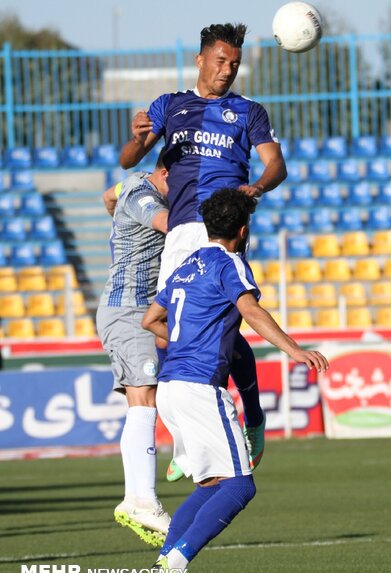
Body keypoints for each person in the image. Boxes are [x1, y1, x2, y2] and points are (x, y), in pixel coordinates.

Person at [140, 188, 328, 573]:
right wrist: (295, 349)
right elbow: (251, 311)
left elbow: (149, 319)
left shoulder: (187, 266)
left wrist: (186, 340)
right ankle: (175, 565)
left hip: (170, 387)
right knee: (241, 487)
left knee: (212, 485)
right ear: (243, 230)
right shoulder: (231, 264)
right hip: (199, 387)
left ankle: (159, 569)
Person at [119, 22, 288, 478]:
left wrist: (256, 186)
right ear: (200, 60)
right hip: (179, 231)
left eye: (234, 63)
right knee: (166, 331)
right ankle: (189, 437)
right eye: (219, 61)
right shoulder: (170, 106)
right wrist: (137, 137)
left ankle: (250, 415)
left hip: (221, 227)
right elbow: (128, 160)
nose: (227, 70)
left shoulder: (248, 111)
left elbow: (277, 164)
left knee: (225, 328)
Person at [96, 149, 171, 547]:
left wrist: (122, 229)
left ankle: (136, 497)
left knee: (159, 391)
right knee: (144, 397)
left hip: (145, 308)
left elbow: (108, 196)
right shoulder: (145, 196)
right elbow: (165, 221)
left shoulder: (133, 184)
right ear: (163, 172)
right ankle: (142, 500)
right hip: (128, 308)